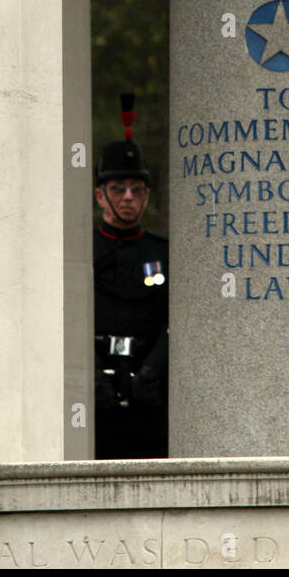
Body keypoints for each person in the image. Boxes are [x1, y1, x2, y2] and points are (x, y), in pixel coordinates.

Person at [93, 93, 169, 459]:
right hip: (94, 394)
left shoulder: (163, 254)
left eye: (137, 189)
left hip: (148, 393)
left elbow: (176, 320)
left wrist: (152, 370)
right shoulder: (78, 252)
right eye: (117, 188)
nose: (128, 198)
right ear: (99, 195)